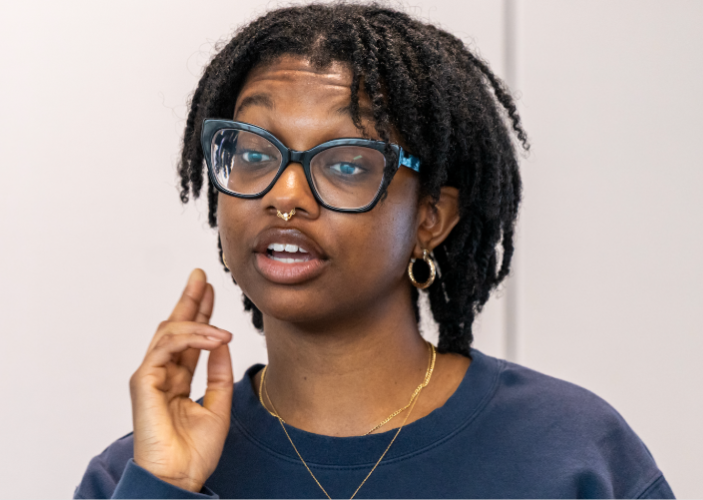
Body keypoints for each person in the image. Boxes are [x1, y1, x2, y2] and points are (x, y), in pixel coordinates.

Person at [74, 3, 673, 498]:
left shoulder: (568, 450)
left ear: (430, 219)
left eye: (347, 164)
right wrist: (166, 486)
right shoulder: (137, 473)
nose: (285, 195)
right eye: (255, 154)